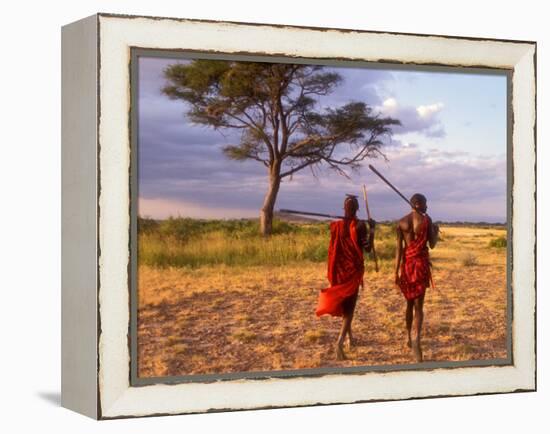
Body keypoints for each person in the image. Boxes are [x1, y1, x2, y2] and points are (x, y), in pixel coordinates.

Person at [315, 195, 375, 360]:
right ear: (357, 209)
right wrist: (372, 230)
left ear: (344, 209)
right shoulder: (360, 226)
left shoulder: (336, 225)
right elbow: (368, 248)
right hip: (352, 272)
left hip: (338, 271)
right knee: (350, 309)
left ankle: (350, 339)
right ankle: (340, 342)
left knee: (346, 306)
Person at [395, 193, 439, 362]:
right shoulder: (426, 221)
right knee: (418, 307)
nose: (427, 207)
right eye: (426, 204)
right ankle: (416, 341)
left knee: (409, 304)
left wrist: (395, 272)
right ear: (418, 204)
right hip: (420, 266)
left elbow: (399, 250)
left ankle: (408, 337)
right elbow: (432, 244)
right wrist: (434, 230)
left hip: (406, 267)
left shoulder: (402, 221)